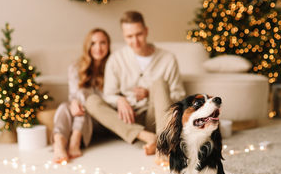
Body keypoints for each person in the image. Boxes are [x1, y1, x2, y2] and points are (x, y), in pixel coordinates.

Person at [85, 11, 186, 156]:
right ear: (123, 36)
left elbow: (180, 95)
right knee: (91, 101)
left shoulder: (168, 59)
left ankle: (164, 144)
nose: (135, 41)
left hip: (156, 118)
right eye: (129, 37)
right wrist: (120, 100)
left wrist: (151, 93)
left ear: (146, 31)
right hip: (128, 119)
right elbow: (108, 95)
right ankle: (147, 137)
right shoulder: (116, 59)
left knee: (159, 83)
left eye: (139, 34)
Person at [53, 28, 111, 163]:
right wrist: (74, 102)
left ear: (108, 45)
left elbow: (107, 100)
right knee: (65, 106)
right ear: (87, 46)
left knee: (85, 102)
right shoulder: (76, 67)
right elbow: (74, 94)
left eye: (103, 43)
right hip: (81, 115)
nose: (98, 48)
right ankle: (59, 143)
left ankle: (75, 140)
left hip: (100, 118)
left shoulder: (113, 67)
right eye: (93, 43)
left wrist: (79, 102)